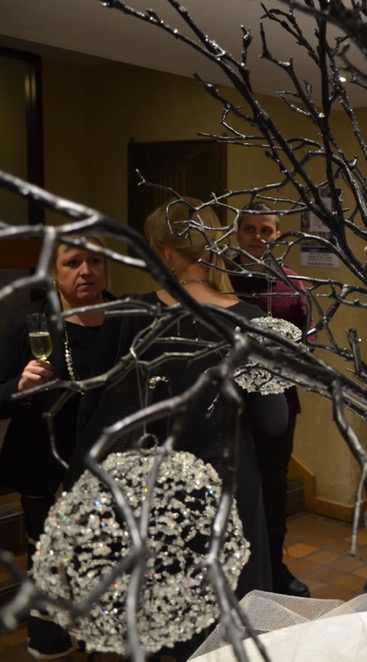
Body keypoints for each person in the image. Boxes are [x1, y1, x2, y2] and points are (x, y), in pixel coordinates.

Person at [71, 198, 288, 658]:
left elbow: (94, 414)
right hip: (229, 485)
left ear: (165, 253)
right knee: (228, 624)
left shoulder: (129, 314)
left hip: (155, 489)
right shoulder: (250, 320)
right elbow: (275, 422)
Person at [0, 237, 112, 661]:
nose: (86, 270)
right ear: (54, 272)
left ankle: (99, 639)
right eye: (73, 262)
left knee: (103, 556)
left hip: (107, 465)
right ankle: (52, 642)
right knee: (50, 561)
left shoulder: (127, 316)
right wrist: (18, 386)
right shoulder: (30, 321)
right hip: (45, 466)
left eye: (95, 261)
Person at [229, 203, 311, 598]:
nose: (258, 237)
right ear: (237, 234)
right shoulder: (220, 281)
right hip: (228, 406)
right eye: (250, 229)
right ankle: (237, 570)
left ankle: (274, 567)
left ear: (278, 235)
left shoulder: (293, 284)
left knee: (273, 488)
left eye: (266, 230)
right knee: (232, 487)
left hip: (279, 404)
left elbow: (307, 343)